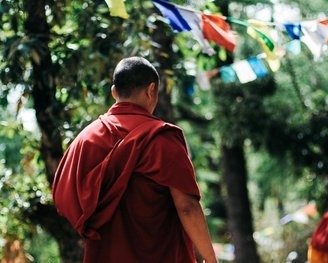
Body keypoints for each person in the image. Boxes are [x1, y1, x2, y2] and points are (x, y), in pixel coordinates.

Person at [51, 57, 217, 263]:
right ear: (151, 90)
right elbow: (187, 206)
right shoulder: (160, 137)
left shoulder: (85, 140)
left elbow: (64, 200)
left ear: (114, 92)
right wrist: (210, 259)